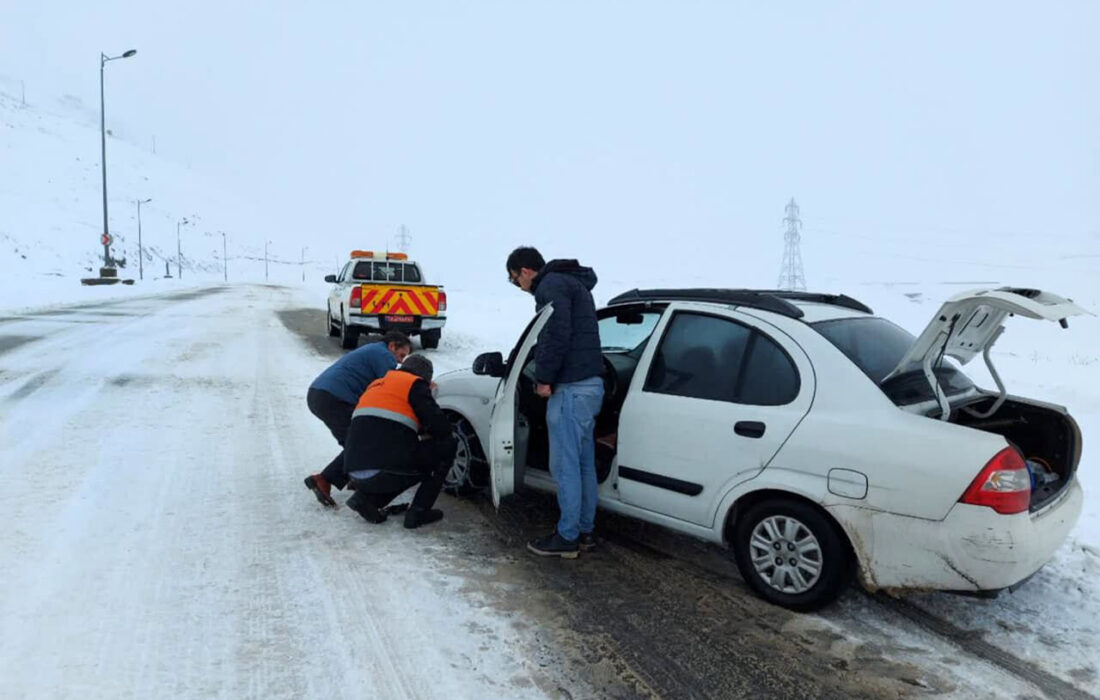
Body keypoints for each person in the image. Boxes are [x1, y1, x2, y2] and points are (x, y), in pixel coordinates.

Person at [506, 246, 604, 558]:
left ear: (524, 271)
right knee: (583, 463)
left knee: (564, 466)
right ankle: (584, 530)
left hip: (571, 389)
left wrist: (544, 378)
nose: (518, 287)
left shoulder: (550, 286)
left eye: (514, 279)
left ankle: (567, 536)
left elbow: (554, 335)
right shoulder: (574, 284)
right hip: (591, 386)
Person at [342, 354, 457, 529]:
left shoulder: (377, 384)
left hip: (354, 472)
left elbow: (390, 424)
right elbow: (441, 428)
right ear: (424, 377)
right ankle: (418, 513)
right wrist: (429, 396)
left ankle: (365, 500)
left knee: (398, 460)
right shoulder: (415, 385)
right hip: (384, 472)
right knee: (447, 447)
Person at [303, 331, 412, 507]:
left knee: (353, 441)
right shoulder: (383, 355)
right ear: (392, 346)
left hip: (319, 394)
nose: (400, 361)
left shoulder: (373, 350)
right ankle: (324, 479)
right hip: (335, 397)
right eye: (401, 355)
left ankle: (355, 476)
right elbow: (394, 384)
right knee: (361, 442)